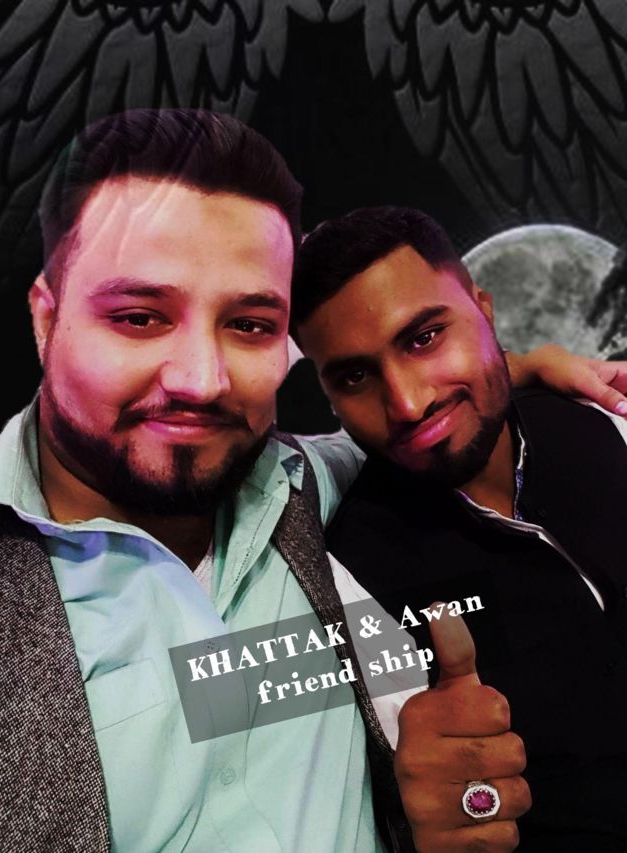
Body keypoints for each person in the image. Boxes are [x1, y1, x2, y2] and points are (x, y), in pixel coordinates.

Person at [0, 110, 622, 853]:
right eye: (139, 317)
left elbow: (422, 416)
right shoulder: (7, 592)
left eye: (250, 325)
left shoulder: (298, 485)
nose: (201, 380)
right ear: (46, 318)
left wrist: (520, 368)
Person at [292, 205, 627, 852]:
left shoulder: (605, 418)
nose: (408, 402)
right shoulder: (353, 580)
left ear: (484, 309)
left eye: (424, 338)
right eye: (355, 376)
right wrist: (412, 824)